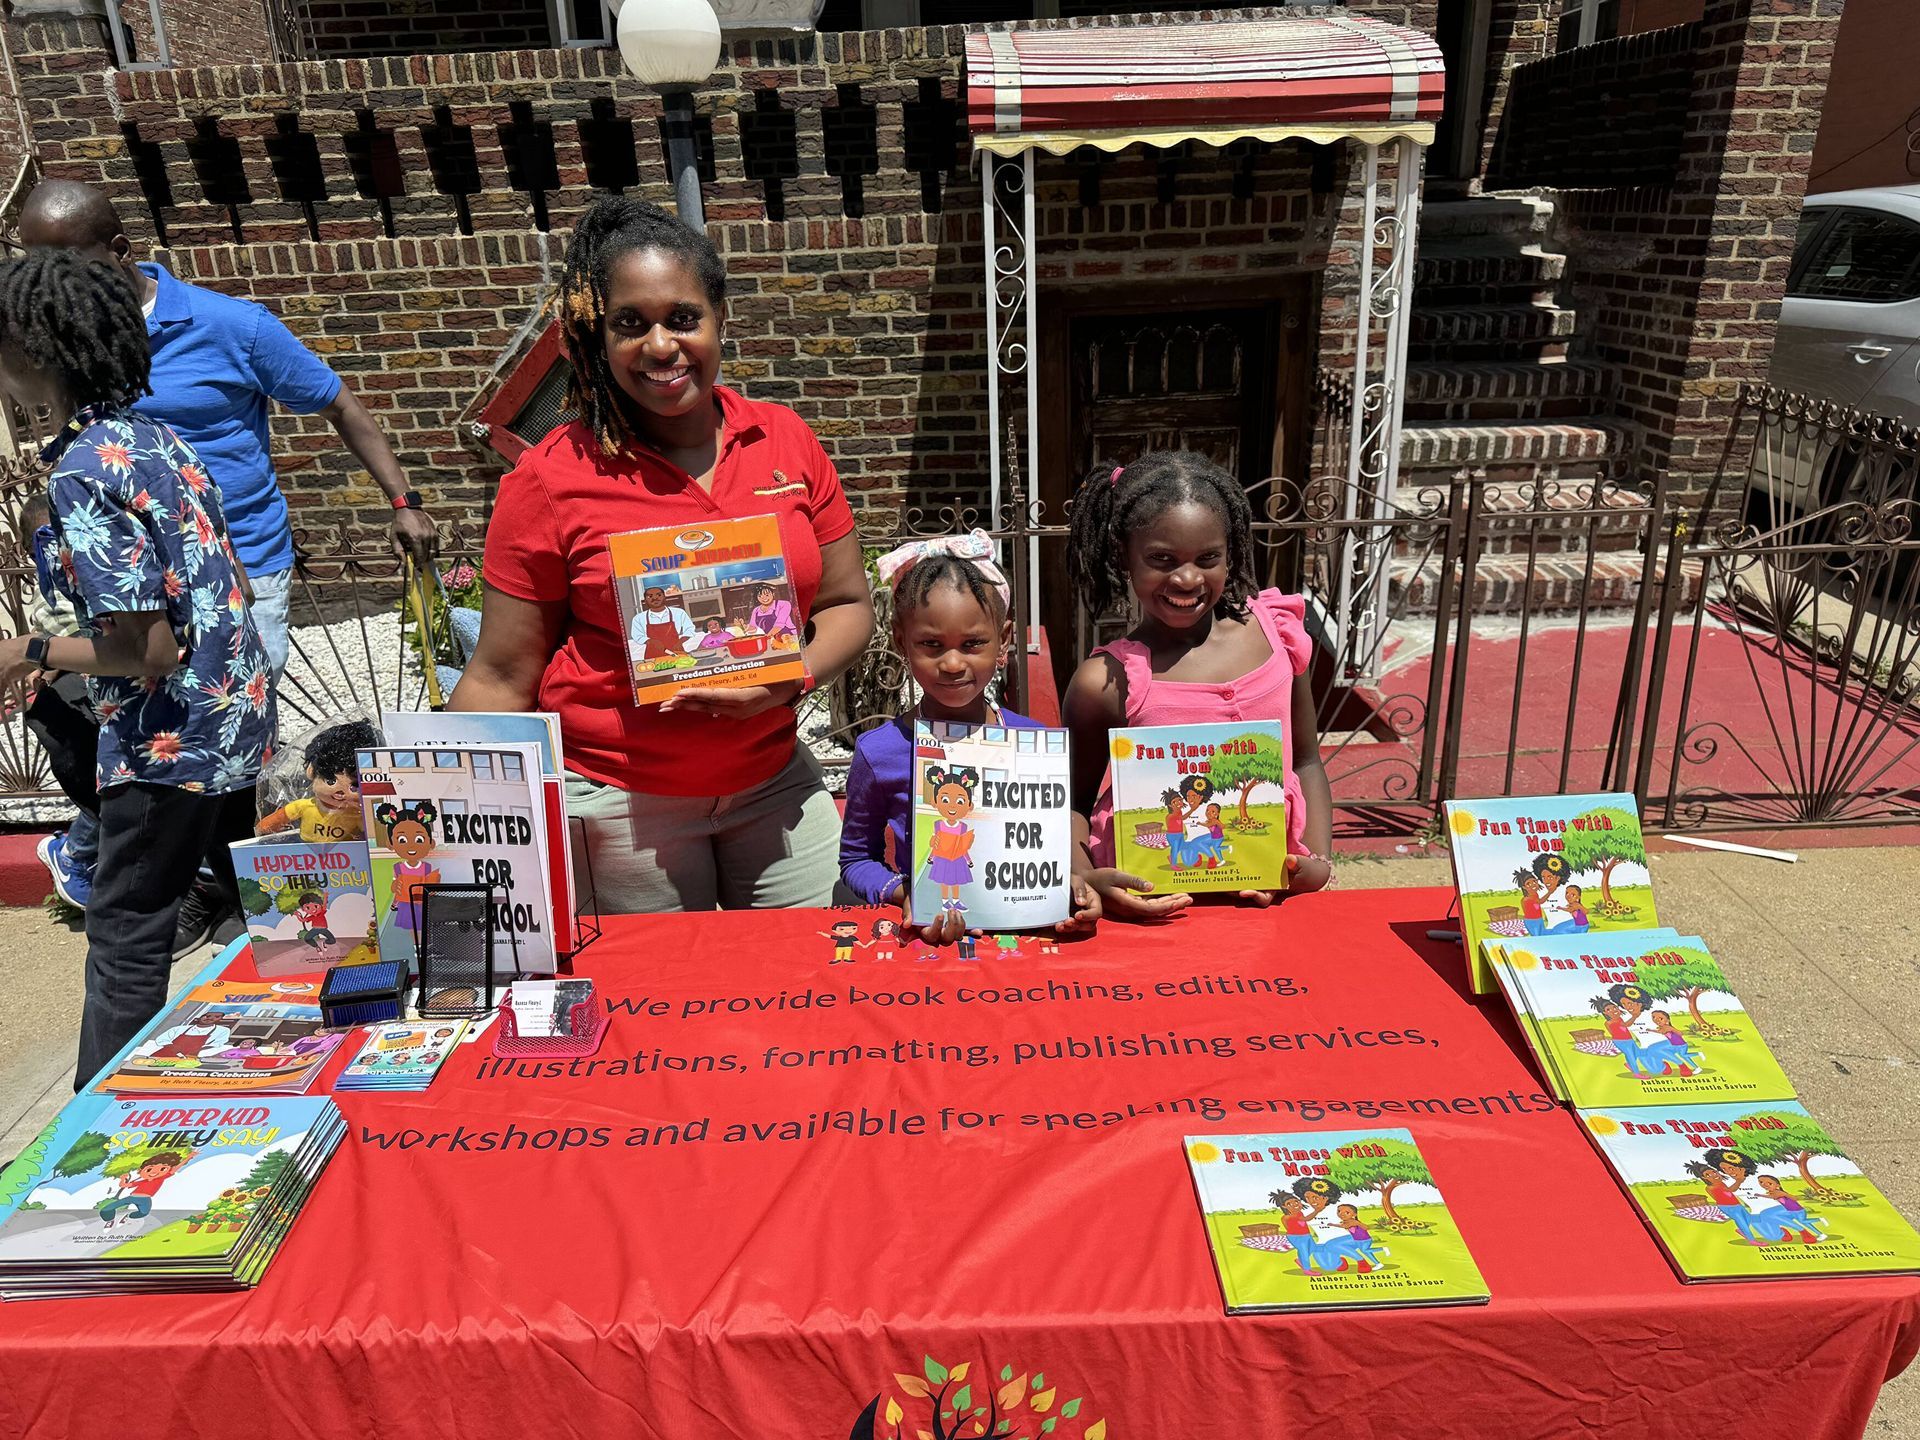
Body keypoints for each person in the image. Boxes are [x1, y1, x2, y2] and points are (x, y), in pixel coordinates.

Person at [450, 196, 874, 913]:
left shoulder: (785, 441)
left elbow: (847, 605)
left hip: (774, 782)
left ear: (719, 321)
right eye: (629, 324)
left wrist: (790, 678)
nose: (659, 345)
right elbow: (499, 673)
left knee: (816, 984)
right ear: (594, 337)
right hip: (618, 800)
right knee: (655, 1007)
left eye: (682, 318)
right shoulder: (552, 478)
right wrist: (432, 807)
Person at [0, 252, 275, 1088]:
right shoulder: (153, 437)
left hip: (169, 738)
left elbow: (147, 649)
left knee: (125, 932)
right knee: (256, 906)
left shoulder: (84, 469)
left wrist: (28, 650)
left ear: (37, 352)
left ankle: (88, 1146)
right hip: (232, 709)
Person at [16, 179, 438, 685]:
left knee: (235, 715)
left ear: (120, 250)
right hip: (134, 581)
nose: (46, 284)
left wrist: (403, 501)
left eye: (63, 263)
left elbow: (340, 407)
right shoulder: (67, 343)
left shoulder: (231, 326)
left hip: (241, 565)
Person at [1062, 452, 1335, 917]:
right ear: (1123, 557)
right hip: (1147, 910)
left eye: (1208, 558)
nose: (1187, 578)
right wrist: (1087, 880)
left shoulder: (1280, 636)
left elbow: (1307, 761)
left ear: (1231, 554)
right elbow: (1071, 802)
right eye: (1161, 559)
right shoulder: (1105, 682)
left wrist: (1317, 863)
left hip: (1268, 905)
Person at [836, 534, 1100, 945]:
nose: (953, 663)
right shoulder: (879, 752)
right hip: (930, 945)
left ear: (1005, 639)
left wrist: (1075, 888)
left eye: (972, 643)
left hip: (1032, 946)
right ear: (900, 641)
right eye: (932, 645)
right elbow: (856, 860)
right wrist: (908, 895)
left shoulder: (1035, 745)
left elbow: (1053, 853)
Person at [17, 491, 100, 908]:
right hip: (77, 706)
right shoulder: (56, 597)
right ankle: (73, 855)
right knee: (104, 795)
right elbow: (65, 642)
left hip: (97, 700)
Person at [254, 718, 377, 842]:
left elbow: (373, 839)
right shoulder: (305, 806)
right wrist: (263, 830)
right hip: (307, 855)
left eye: (354, 786)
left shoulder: (356, 815)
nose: (340, 793)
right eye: (330, 781)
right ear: (311, 771)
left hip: (347, 857)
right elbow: (274, 821)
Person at [629, 585, 697, 662]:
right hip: (653, 655)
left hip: (677, 651)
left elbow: (690, 629)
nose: (655, 598)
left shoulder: (679, 613)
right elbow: (637, 635)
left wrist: (680, 642)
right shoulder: (638, 618)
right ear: (645, 600)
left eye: (659, 595)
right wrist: (651, 641)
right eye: (650, 596)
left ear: (664, 597)